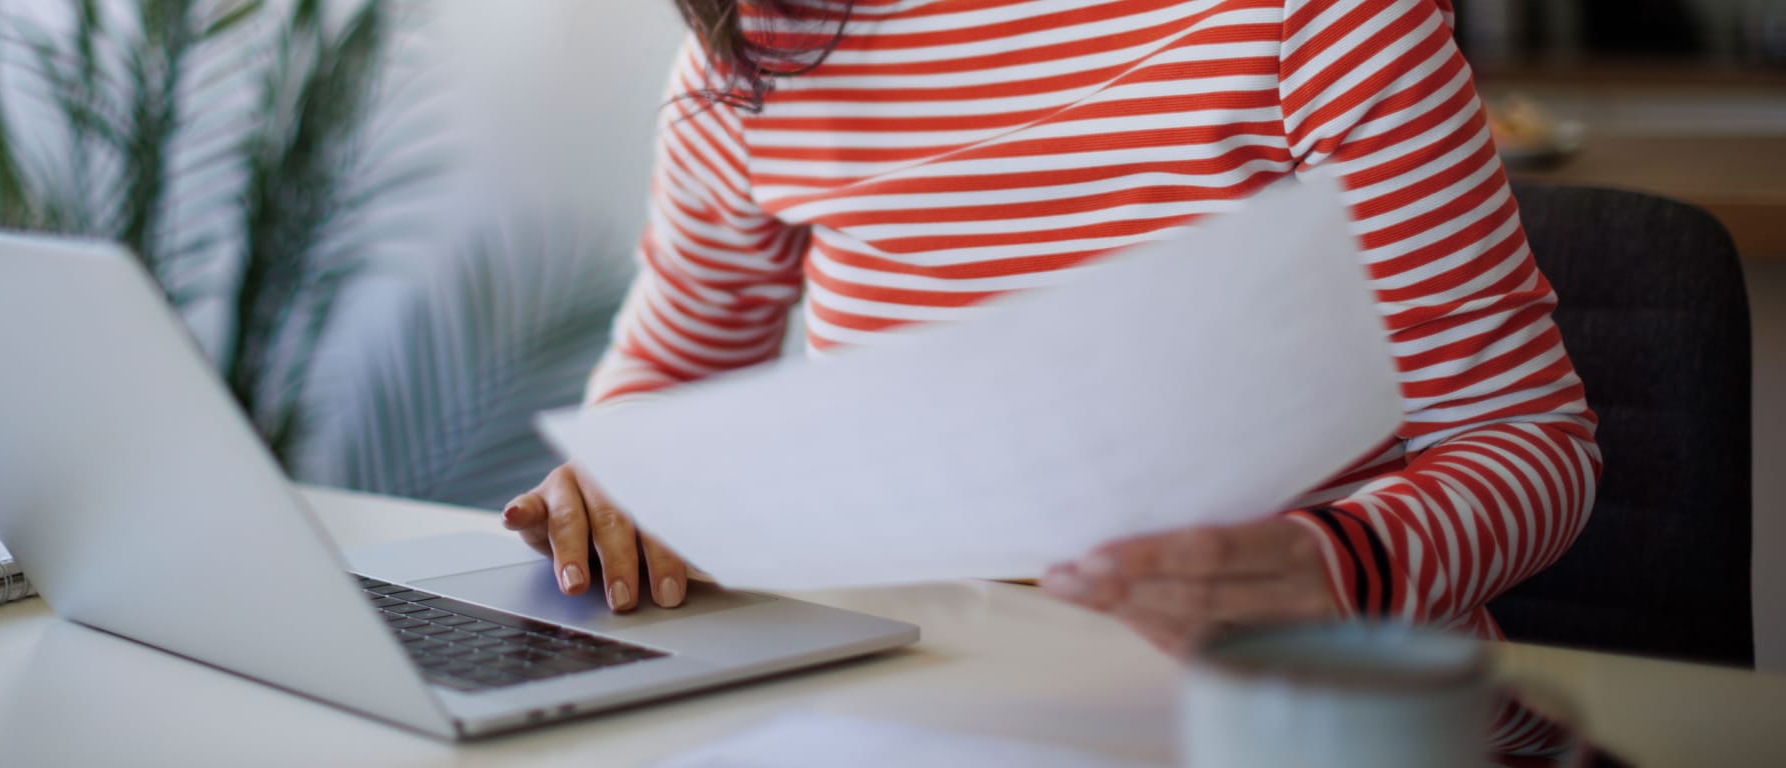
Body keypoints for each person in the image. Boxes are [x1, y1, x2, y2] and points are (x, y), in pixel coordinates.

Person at [502, 0, 1597, 752]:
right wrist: (612, 488)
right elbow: (662, 372)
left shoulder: (1315, 19)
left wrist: (1342, 562)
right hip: (910, 725)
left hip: (1302, 725)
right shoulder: (751, 52)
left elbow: (1529, 437)